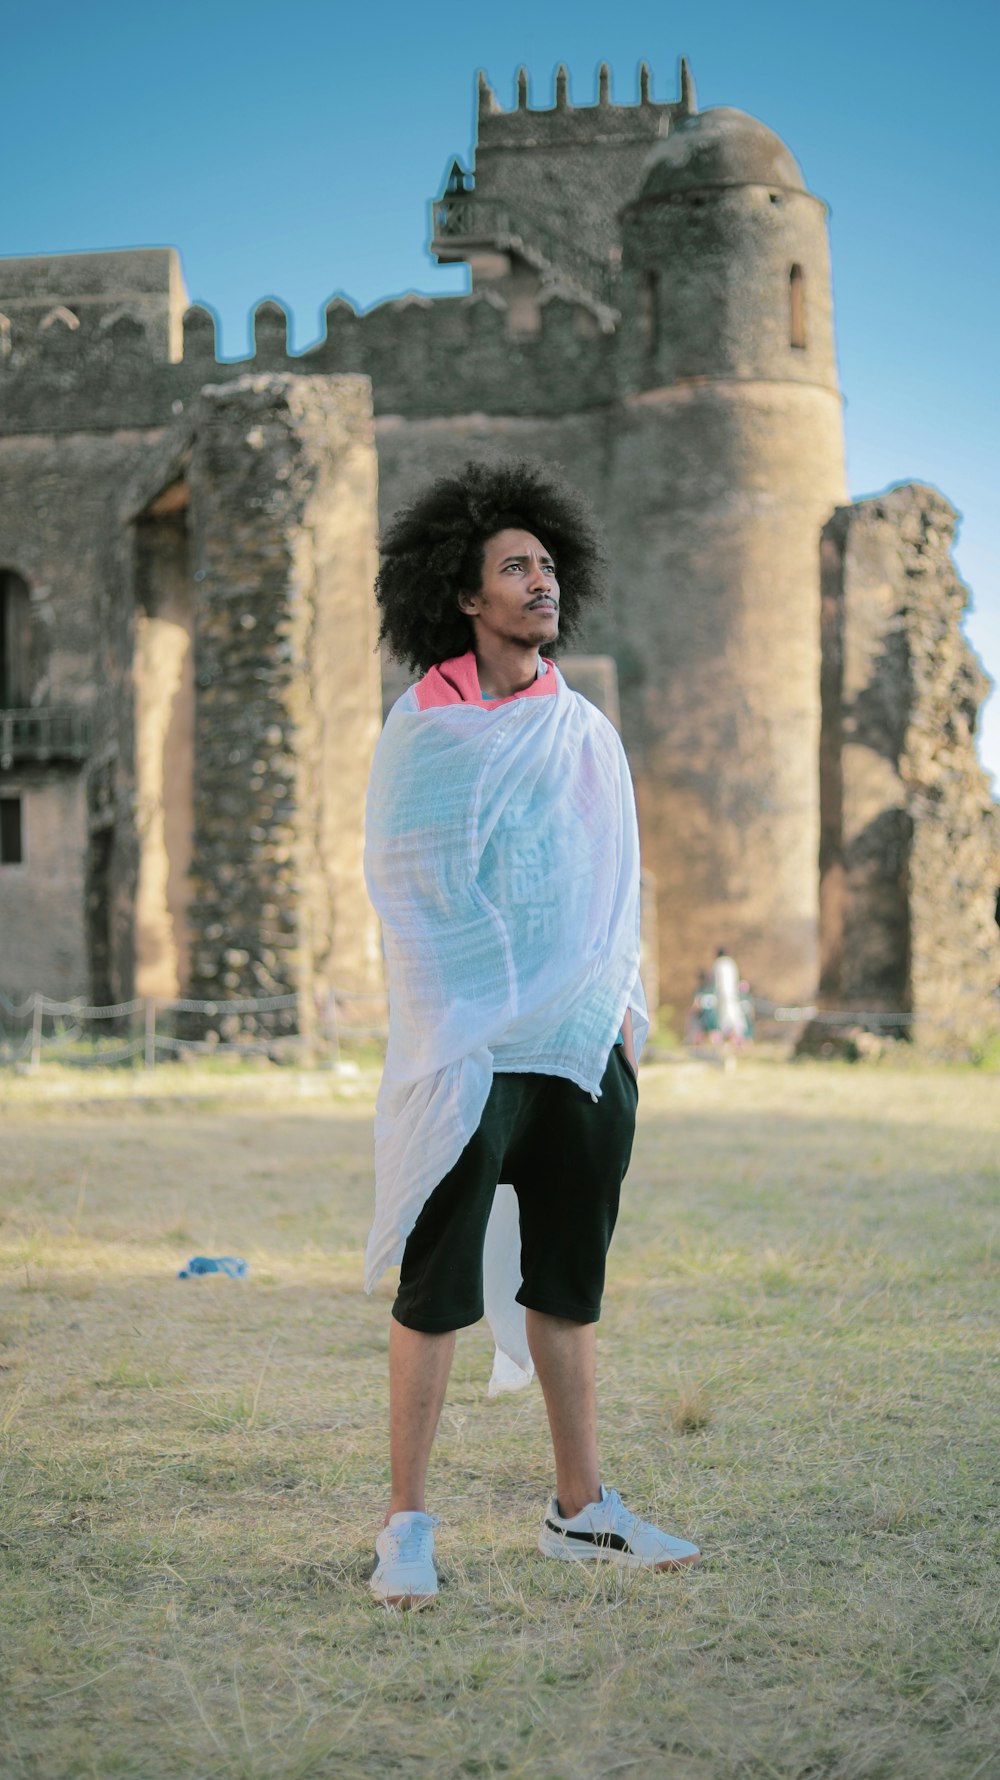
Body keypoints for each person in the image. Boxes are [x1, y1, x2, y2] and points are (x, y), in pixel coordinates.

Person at [363, 459, 700, 1608]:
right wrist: (480, 999)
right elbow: (412, 884)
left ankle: (580, 1509)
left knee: (568, 1281)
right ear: (465, 595)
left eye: (549, 564)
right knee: (436, 1288)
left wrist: (615, 1018)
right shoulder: (425, 729)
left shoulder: (582, 728)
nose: (541, 581)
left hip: (577, 1044)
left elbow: (614, 881)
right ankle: (405, 1523)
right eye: (516, 567)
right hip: (466, 1047)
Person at [712, 946, 747, 1045]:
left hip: (722, 994)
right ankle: (738, 1038)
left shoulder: (718, 963)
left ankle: (730, 1039)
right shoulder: (731, 963)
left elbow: (717, 982)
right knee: (734, 1014)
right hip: (733, 994)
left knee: (725, 1017)